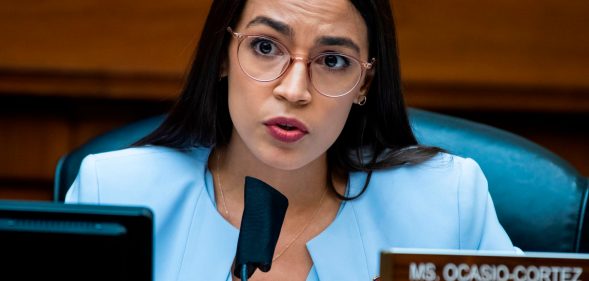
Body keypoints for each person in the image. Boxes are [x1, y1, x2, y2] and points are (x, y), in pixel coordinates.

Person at [65, 0, 516, 280]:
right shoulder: (114, 193)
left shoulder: (448, 204)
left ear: (364, 83)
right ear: (223, 55)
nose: (294, 90)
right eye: (265, 47)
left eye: (333, 60)